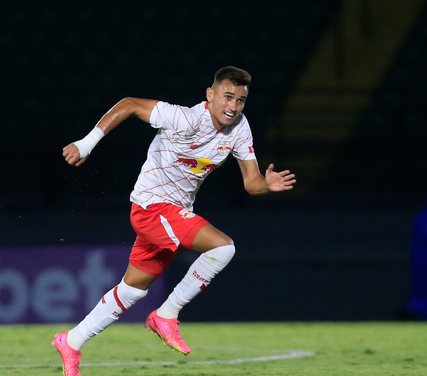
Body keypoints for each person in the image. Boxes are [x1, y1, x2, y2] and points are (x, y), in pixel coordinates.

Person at [51, 66, 296, 376]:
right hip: (152, 207)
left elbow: (251, 182)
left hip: (173, 213)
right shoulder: (184, 118)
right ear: (210, 95)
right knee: (223, 248)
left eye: (240, 100)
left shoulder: (239, 127)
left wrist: (267, 184)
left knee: (132, 290)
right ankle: (166, 314)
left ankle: (72, 341)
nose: (233, 106)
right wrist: (87, 143)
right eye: (227, 97)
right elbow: (129, 104)